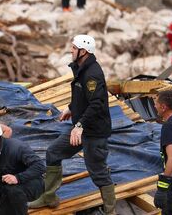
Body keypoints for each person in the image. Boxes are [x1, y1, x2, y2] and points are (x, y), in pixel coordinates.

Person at [28, 35, 116, 214]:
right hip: (81, 128)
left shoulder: (92, 74)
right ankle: (49, 197)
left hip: (94, 133)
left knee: (98, 172)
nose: (71, 50)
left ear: (83, 52)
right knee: (53, 152)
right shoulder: (81, 68)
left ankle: (110, 211)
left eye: (74, 48)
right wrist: (70, 108)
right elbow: (82, 97)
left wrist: (80, 125)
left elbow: (97, 103)